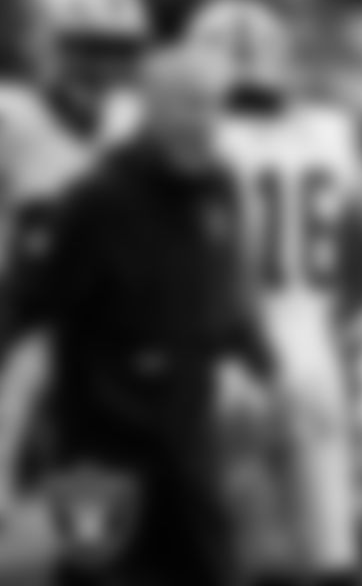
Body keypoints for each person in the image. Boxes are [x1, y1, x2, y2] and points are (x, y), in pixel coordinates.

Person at [0, 47, 275, 586]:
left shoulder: (221, 188)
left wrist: (263, 365)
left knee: (209, 565)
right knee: (95, 570)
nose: (203, 121)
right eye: (188, 105)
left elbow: (229, 290)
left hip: (186, 426)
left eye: (211, 106)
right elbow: (36, 298)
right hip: (101, 431)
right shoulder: (97, 199)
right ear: (151, 110)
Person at [182, 0, 362, 586]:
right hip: (311, 356)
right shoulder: (331, 133)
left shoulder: (190, 137)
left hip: (218, 356)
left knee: (230, 553)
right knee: (332, 555)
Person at [0, 0, 150, 509]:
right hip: (24, 305)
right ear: (41, 43)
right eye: (86, 48)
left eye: (117, 50)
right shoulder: (12, 118)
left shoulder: (138, 123)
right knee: (31, 361)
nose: (104, 67)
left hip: (120, 313)